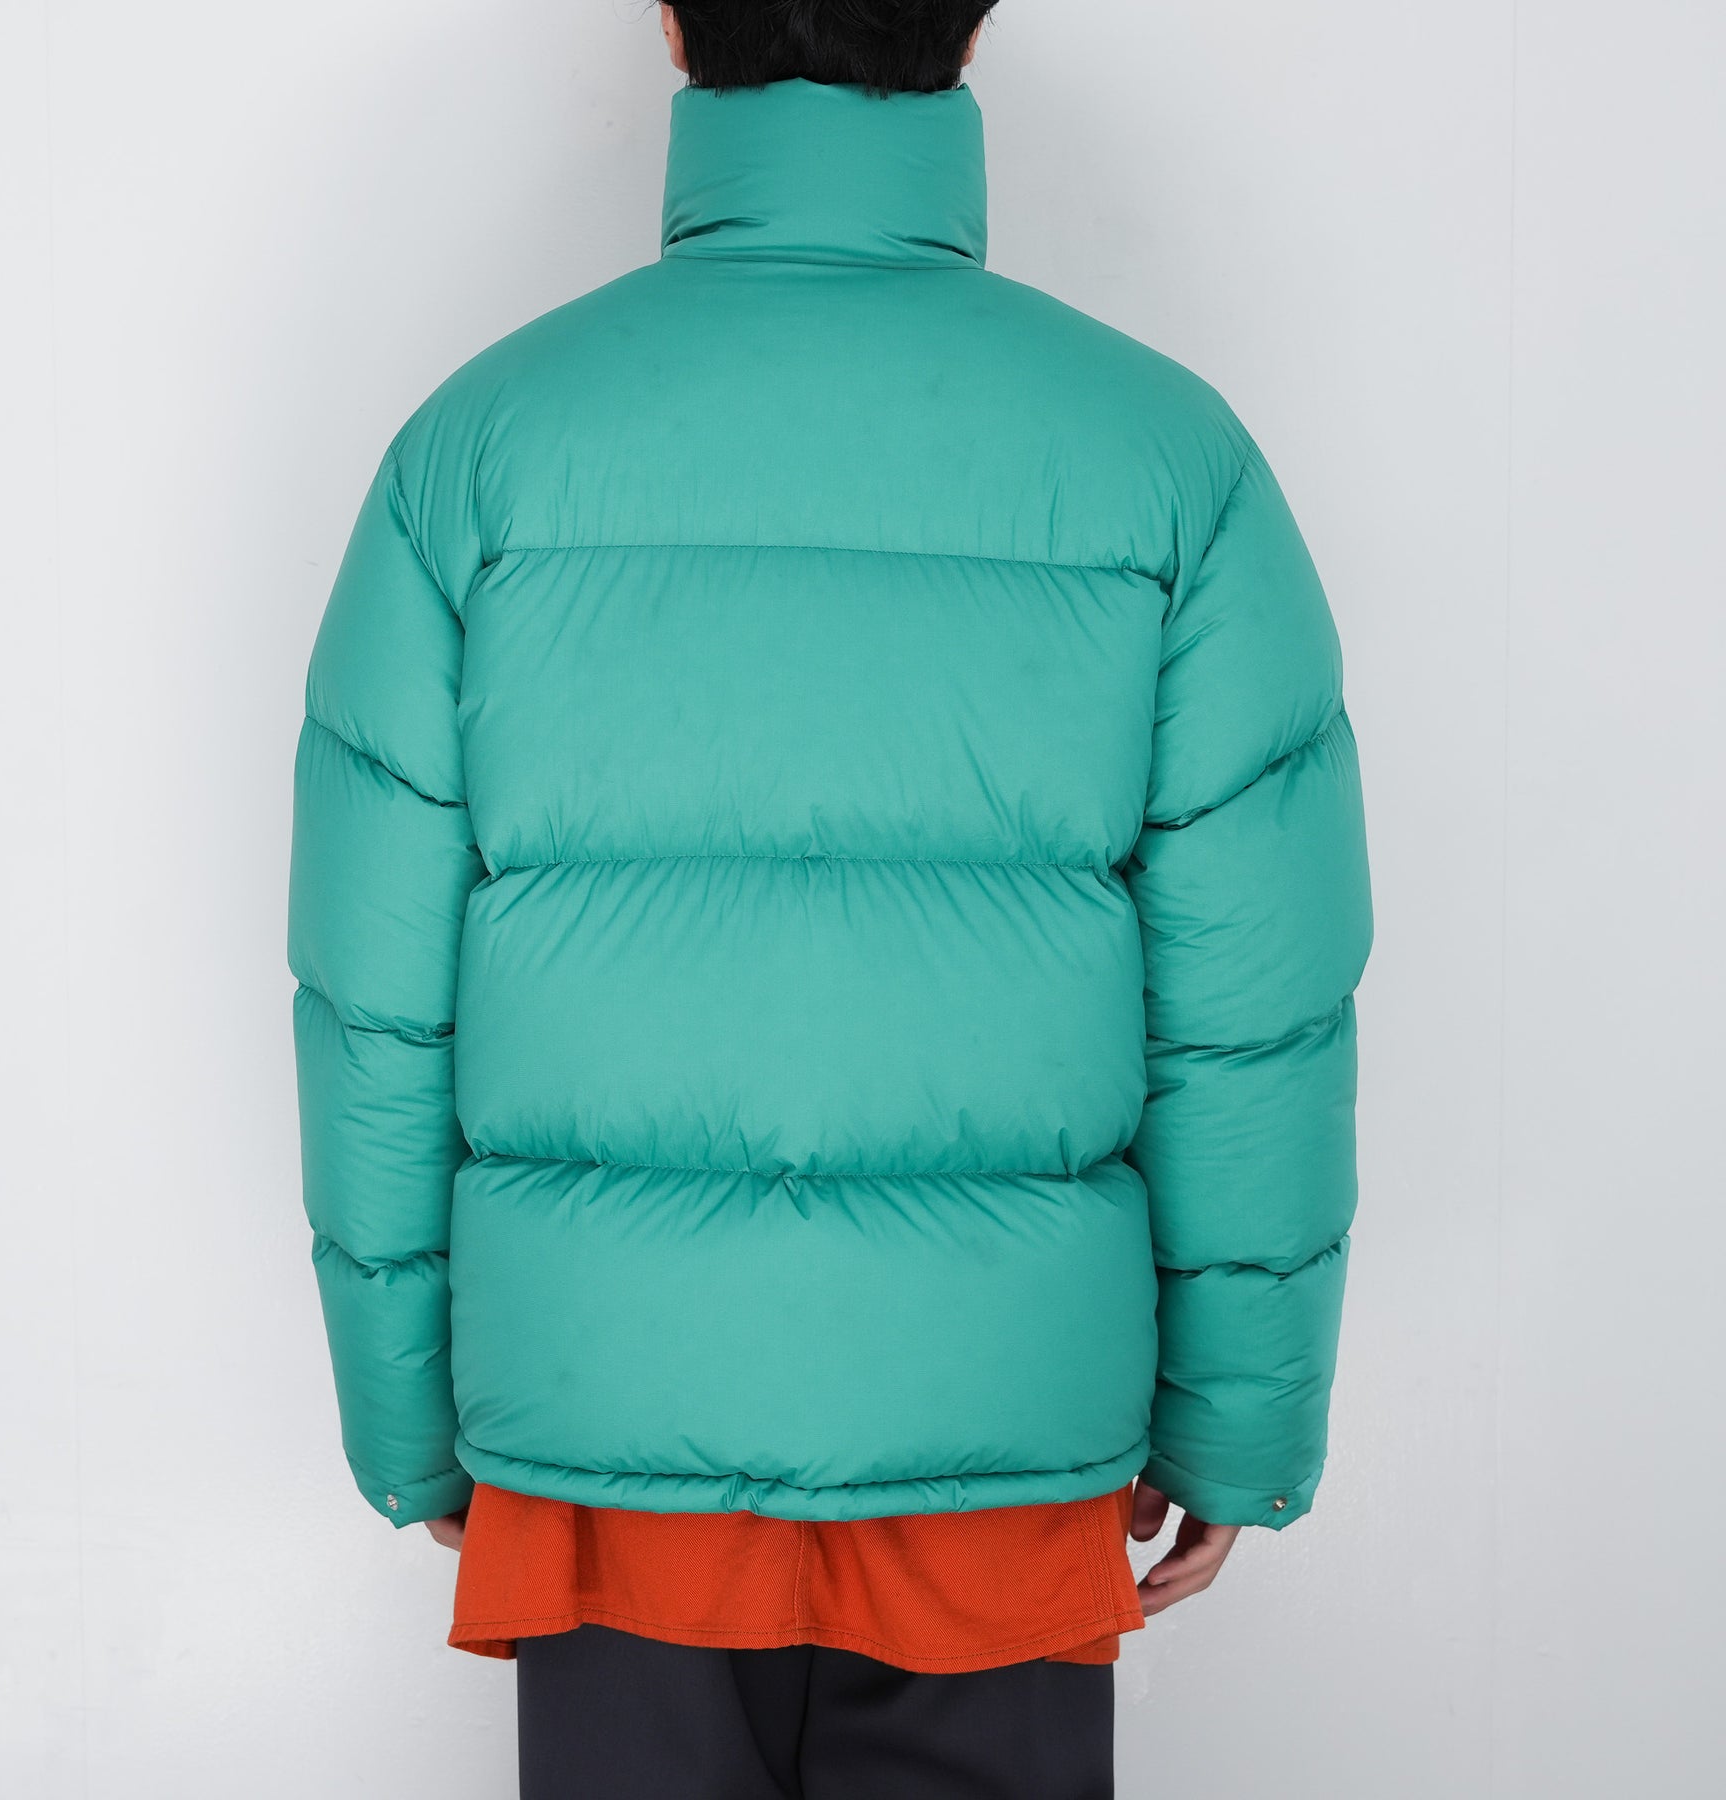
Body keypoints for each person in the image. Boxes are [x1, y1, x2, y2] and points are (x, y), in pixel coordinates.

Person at [287, 3, 1373, 1793]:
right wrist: (1237, 1419)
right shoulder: (1172, 465)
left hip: (609, 1434)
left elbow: (375, 1005)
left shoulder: (474, 456)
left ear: (669, 17)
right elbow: (1254, 1013)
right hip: (997, 1434)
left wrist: (411, 1420)